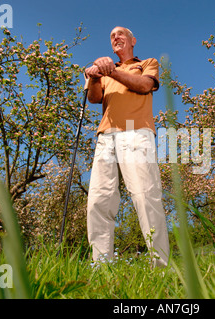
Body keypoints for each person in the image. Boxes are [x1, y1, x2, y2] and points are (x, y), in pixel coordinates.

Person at [84, 26, 170, 267]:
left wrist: (111, 72)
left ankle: (160, 266)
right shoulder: (101, 69)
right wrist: (94, 77)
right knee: (98, 200)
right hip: (106, 135)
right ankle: (101, 266)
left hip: (136, 131)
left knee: (145, 196)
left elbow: (144, 86)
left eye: (120, 33)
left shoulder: (146, 63)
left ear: (133, 40)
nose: (115, 37)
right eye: (111, 35)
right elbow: (93, 98)